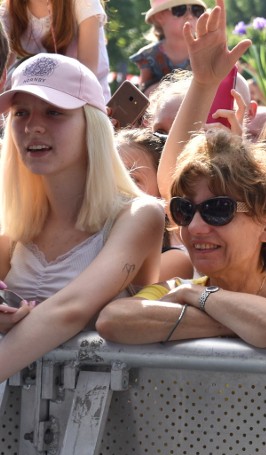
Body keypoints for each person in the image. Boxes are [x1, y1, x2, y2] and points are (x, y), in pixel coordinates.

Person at [0, 53, 163, 381]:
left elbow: (71, 310)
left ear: (93, 123)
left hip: (106, 426)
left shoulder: (140, 215)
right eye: (21, 113)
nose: (33, 125)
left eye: (54, 112)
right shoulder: (12, 218)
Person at [96, 129, 266, 347]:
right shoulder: (173, 289)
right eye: (185, 209)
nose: (195, 226)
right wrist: (246, 323)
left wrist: (199, 296)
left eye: (218, 209)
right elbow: (113, 319)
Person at [115, 127, 193, 280]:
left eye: (132, 178)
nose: (117, 187)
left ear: (162, 193)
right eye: (109, 175)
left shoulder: (176, 261)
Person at [1, 0, 110, 100]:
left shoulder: (84, 3)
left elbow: (88, 77)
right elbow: (3, 73)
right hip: (39, 101)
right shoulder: (9, 9)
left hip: (85, 99)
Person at [131, 0, 207, 93]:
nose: (190, 16)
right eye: (180, 9)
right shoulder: (149, 56)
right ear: (160, 17)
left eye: (196, 10)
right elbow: (142, 94)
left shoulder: (207, 52)